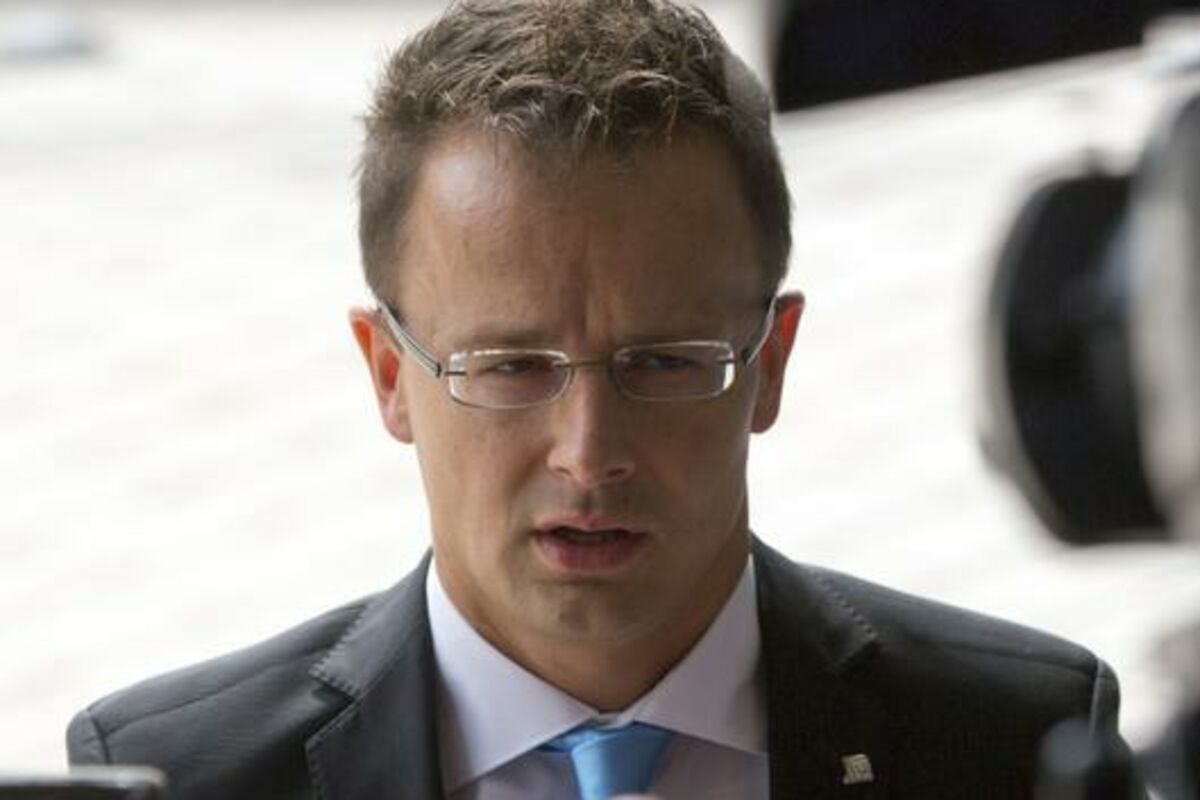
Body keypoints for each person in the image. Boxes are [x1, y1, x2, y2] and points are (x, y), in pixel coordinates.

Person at [66, 1, 1130, 798]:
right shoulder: (173, 773)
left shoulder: (1019, 742)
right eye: (510, 367)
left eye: (663, 362)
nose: (588, 452)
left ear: (771, 361)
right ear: (390, 376)